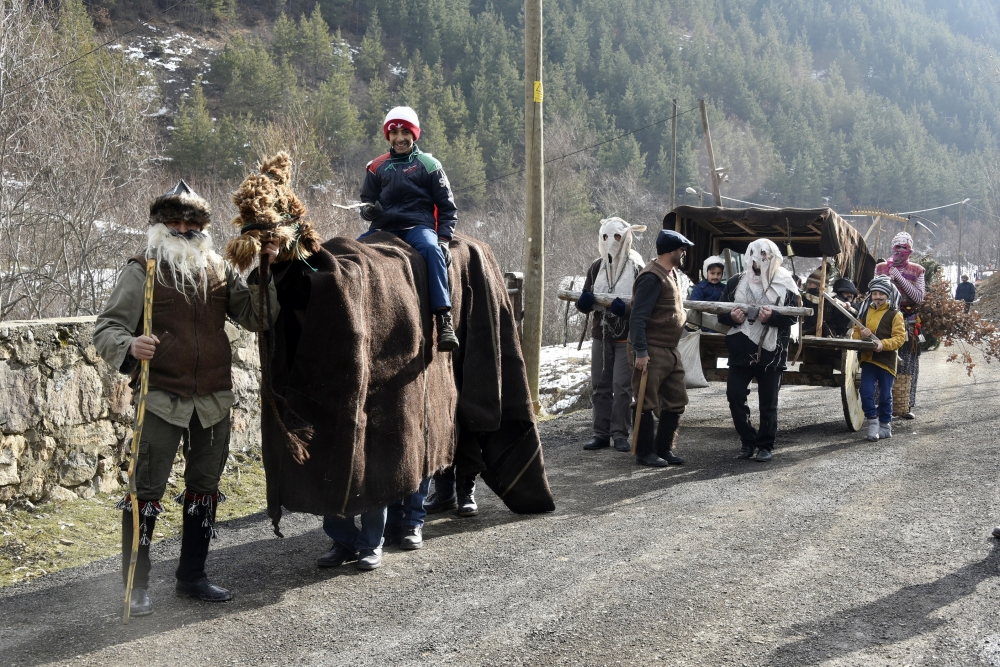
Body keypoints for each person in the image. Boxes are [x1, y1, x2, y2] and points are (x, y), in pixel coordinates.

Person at [94, 181, 279, 617]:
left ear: (203, 228)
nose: (182, 228)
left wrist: (265, 267)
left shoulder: (219, 268)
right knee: (145, 492)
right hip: (160, 396)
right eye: (173, 221)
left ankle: (192, 577)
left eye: (191, 222)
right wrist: (129, 346)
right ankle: (136, 587)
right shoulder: (142, 269)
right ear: (158, 224)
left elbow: (256, 318)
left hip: (213, 399)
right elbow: (106, 328)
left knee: (204, 490)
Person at [359, 105, 459, 351]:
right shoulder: (376, 167)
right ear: (388, 136)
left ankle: (444, 320)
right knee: (352, 251)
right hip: (383, 229)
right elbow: (366, 202)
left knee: (433, 251)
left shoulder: (430, 164)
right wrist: (368, 210)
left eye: (405, 132)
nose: (400, 138)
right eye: (394, 133)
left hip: (417, 227)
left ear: (414, 134)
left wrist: (444, 239)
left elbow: (447, 208)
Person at [717, 239, 798, 462]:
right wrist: (731, 317)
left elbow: (794, 315)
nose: (758, 260)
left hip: (772, 352)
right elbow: (721, 313)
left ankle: (765, 445)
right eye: (754, 254)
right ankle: (747, 439)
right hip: (741, 349)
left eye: (764, 255)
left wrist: (773, 317)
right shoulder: (736, 282)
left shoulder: (785, 282)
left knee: (768, 401)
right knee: (734, 395)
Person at [575, 217, 646, 452]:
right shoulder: (597, 266)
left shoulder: (637, 267)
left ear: (626, 238)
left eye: (617, 237)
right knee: (600, 385)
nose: (611, 242)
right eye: (606, 237)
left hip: (626, 338)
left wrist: (624, 310)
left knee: (622, 386)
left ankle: (620, 433)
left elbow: (643, 305)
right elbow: (586, 295)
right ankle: (600, 433)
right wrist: (583, 303)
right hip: (601, 334)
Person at [625, 227, 694, 467]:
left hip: (669, 348)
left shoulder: (671, 273)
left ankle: (664, 448)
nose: (684, 252)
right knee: (646, 401)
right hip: (651, 349)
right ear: (671, 251)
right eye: (681, 249)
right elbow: (637, 317)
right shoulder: (651, 277)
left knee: (676, 399)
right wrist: (641, 353)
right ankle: (645, 452)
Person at [875, 232, 925, 419]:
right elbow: (873, 292)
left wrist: (900, 277)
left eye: (905, 248)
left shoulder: (917, 270)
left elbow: (919, 297)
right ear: (892, 248)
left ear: (910, 249)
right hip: (884, 319)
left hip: (908, 322)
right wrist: (888, 278)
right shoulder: (880, 267)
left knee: (906, 362)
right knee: (881, 359)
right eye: (898, 247)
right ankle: (879, 404)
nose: (901, 251)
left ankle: (904, 405)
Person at [852, 276, 906, 441]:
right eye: (874, 293)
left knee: (885, 395)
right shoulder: (865, 311)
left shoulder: (895, 314)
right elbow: (855, 334)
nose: (877, 297)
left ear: (888, 294)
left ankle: (885, 426)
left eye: (881, 294)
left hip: (887, 361)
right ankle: (873, 422)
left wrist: (882, 344)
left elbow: (900, 338)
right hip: (868, 359)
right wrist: (861, 334)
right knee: (866, 391)